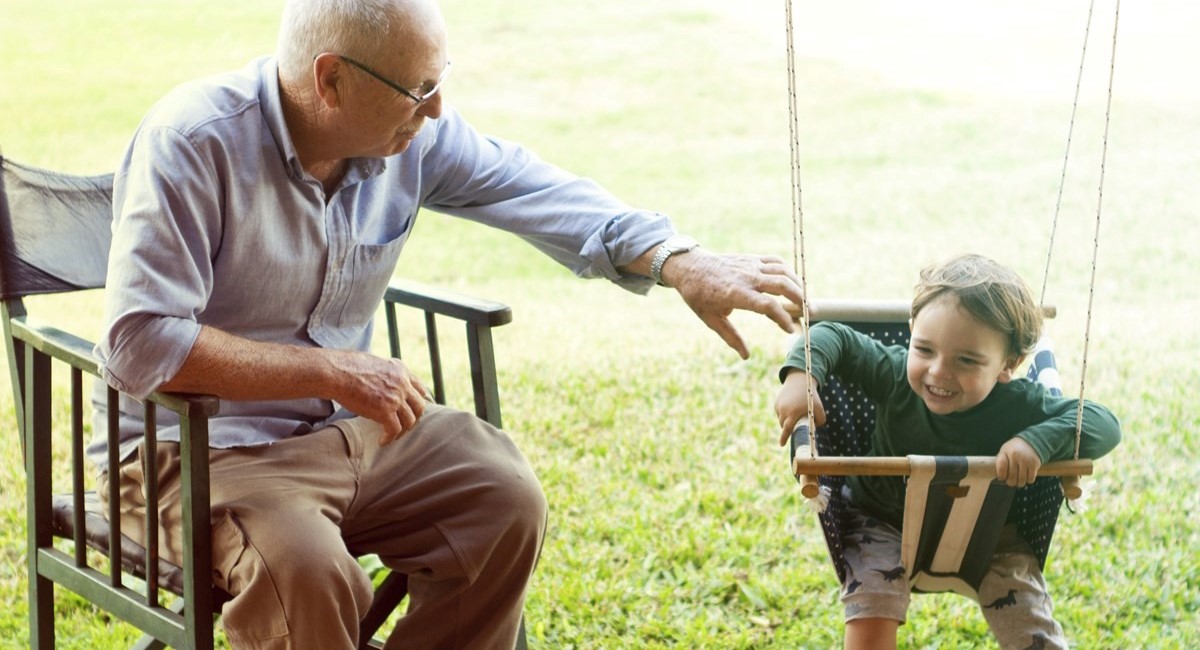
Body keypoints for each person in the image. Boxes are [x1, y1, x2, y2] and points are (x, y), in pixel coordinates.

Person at [90, 0, 805, 647]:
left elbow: (530, 186)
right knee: (307, 574)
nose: (435, 110)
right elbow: (141, 341)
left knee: (500, 497)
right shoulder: (193, 141)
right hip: (191, 454)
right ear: (330, 80)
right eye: (417, 89)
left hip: (344, 436)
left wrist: (677, 260)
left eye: (439, 81)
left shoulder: (409, 140)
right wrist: (332, 370)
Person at [773, 253, 1120, 650]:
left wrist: (1035, 441)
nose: (938, 371)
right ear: (910, 333)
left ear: (1008, 365)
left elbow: (1103, 423)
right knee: (871, 603)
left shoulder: (1019, 402)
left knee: (1029, 617)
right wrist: (802, 375)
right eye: (924, 350)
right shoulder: (892, 372)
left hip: (988, 533)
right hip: (880, 521)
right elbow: (829, 334)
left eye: (967, 360)